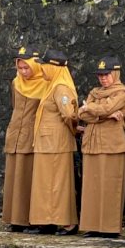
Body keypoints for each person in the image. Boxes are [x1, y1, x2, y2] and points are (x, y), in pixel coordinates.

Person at [77, 56, 125, 239]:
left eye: (107, 74)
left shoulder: (122, 93)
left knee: (110, 185)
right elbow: (81, 115)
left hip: (111, 144)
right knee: (92, 185)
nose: (103, 78)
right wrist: (104, 116)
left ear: (115, 74)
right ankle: (92, 225)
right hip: (92, 142)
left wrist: (91, 109)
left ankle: (109, 228)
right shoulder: (95, 92)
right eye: (100, 75)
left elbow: (105, 108)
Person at [29, 49, 79, 235]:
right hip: (48, 143)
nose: (42, 69)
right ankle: (47, 221)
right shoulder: (53, 85)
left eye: (45, 65)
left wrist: (74, 129)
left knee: (58, 183)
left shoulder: (61, 87)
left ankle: (67, 222)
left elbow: (68, 113)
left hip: (56, 143)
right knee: (45, 183)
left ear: (54, 68)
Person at [3, 45, 47, 233]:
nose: (23, 72)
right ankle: (15, 218)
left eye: (26, 67)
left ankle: (29, 218)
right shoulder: (16, 83)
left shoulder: (45, 84)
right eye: (20, 68)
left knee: (28, 177)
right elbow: (15, 106)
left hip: (32, 136)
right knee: (14, 176)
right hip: (15, 133)